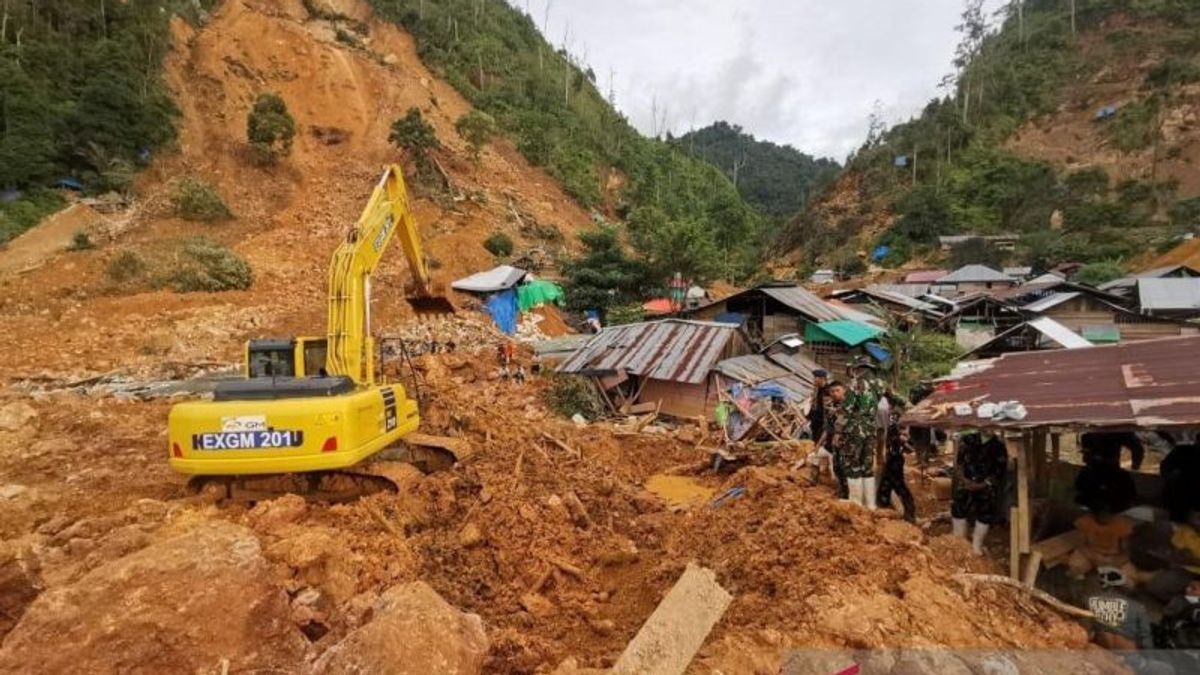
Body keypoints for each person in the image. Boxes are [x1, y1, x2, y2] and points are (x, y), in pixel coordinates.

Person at [951, 431, 1008, 555]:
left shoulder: (998, 445)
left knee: (985, 513)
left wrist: (983, 484)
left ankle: (976, 546)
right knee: (959, 509)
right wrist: (964, 480)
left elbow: (1000, 470)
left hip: (985, 487)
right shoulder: (967, 439)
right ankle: (959, 542)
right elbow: (959, 463)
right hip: (965, 483)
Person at [839, 362, 882, 510]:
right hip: (871, 429)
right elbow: (899, 401)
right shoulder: (880, 385)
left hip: (855, 430)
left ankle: (856, 503)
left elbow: (847, 408)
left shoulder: (855, 385)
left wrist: (839, 430)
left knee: (853, 464)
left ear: (859, 370)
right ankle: (870, 504)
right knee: (867, 466)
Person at [1068, 507, 1136, 580]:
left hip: (1112, 556)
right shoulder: (1084, 521)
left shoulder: (1122, 525)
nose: (1105, 515)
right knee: (1075, 565)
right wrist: (1093, 556)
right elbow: (1080, 544)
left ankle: (1105, 572)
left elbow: (1126, 550)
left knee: (1131, 575)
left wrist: (1113, 559)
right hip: (1090, 553)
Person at [877, 423, 916, 522]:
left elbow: (909, 449)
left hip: (893, 465)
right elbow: (909, 449)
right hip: (894, 465)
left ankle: (908, 514)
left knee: (888, 489)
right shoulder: (896, 440)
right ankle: (908, 514)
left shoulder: (894, 441)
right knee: (897, 490)